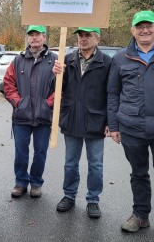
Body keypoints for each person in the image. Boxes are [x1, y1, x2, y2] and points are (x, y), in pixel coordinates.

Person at [107, 10, 154, 241]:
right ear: (133, 31)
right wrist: (113, 125)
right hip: (132, 127)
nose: (145, 30)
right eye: (140, 26)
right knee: (138, 173)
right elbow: (112, 93)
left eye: (149, 26)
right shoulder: (120, 58)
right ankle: (140, 214)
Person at [52, 27, 111, 218]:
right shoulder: (67, 60)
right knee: (70, 163)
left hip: (96, 121)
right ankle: (69, 195)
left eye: (88, 35)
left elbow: (112, 94)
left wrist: (111, 121)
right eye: (80, 36)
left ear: (97, 38)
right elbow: (56, 88)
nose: (83, 39)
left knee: (96, 165)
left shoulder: (107, 62)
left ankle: (93, 200)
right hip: (71, 119)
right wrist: (56, 75)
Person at [3, 25, 57, 198]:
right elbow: (8, 83)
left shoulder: (54, 60)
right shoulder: (18, 60)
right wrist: (18, 102)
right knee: (21, 151)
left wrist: (48, 104)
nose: (34, 38)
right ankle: (20, 182)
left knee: (40, 151)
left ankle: (36, 182)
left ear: (44, 38)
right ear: (27, 38)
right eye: (31, 35)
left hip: (44, 115)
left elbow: (62, 87)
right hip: (22, 115)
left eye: (38, 35)